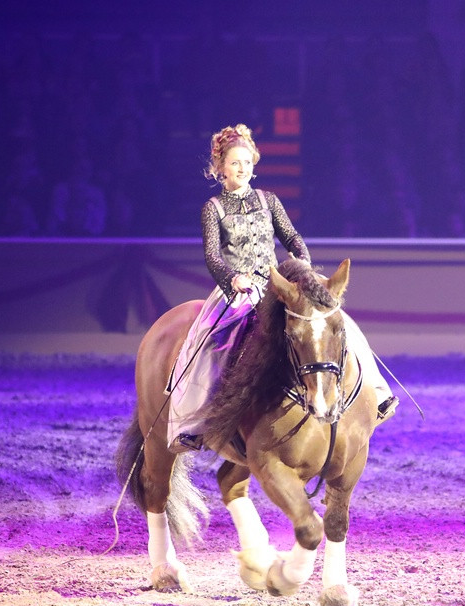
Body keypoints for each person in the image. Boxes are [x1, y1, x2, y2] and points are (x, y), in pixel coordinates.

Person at [167, 124, 397, 452]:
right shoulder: (213, 208)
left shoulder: (269, 200)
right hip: (239, 289)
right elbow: (212, 255)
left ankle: (378, 391)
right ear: (221, 169)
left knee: (336, 320)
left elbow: (292, 238)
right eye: (234, 163)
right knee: (205, 343)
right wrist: (233, 279)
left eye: (247, 163)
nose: (242, 169)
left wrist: (302, 266)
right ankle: (192, 423)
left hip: (279, 283)